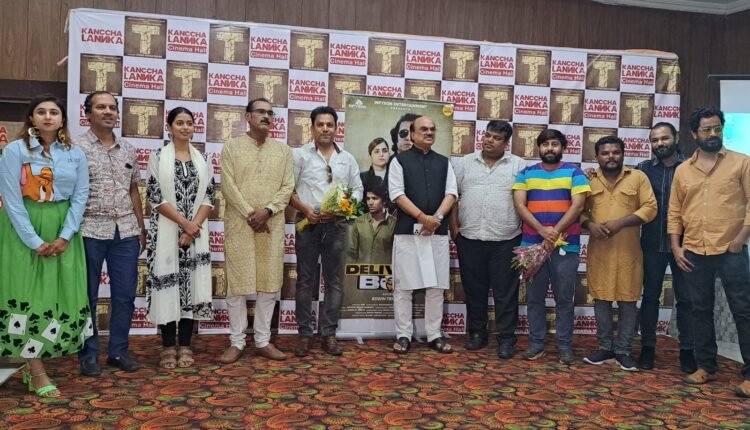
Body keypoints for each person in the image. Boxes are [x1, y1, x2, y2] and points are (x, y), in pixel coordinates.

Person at [0, 94, 90, 397]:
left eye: (54, 112)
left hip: (63, 229)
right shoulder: (15, 150)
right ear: (31, 118)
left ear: (63, 119)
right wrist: (34, 241)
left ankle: (30, 363)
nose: (48, 117)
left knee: (54, 297)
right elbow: (11, 199)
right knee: (26, 296)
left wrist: (65, 235)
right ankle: (36, 371)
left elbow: (80, 196)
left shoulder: (75, 153)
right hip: (22, 228)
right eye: (41, 112)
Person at [668, 106, 750, 397]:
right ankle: (706, 366)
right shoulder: (683, 170)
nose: (713, 134)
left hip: (731, 249)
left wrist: (740, 238)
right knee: (699, 310)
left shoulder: (741, 163)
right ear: (694, 134)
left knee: (743, 310)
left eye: (717, 128)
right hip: (694, 249)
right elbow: (675, 211)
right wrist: (676, 246)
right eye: (706, 129)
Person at [219, 98, 294, 364]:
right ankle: (237, 341)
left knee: (269, 284)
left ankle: (262, 340)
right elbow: (227, 185)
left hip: (271, 225)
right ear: (248, 116)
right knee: (237, 285)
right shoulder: (231, 147)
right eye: (260, 112)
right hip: (240, 225)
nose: (266, 116)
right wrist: (251, 213)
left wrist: (268, 211)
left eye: (270, 113)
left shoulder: (283, 151)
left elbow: (288, 186)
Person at [77, 91, 146, 376]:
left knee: (125, 296)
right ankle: (88, 354)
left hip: (125, 232)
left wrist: (141, 228)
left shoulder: (128, 148)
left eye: (112, 108)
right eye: (101, 107)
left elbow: (133, 189)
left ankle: (118, 351)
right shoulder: (75, 147)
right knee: (87, 297)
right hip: (89, 229)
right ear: (88, 113)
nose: (108, 112)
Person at [512, 129, 590, 365]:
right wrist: (542, 231)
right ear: (539, 148)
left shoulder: (575, 173)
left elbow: (578, 207)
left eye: (555, 144)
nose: (549, 148)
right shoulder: (526, 174)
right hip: (531, 247)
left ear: (563, 148)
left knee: (564, 299)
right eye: (545, 144)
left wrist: (553, 233)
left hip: (566, 248)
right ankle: (536, 344)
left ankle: (564, 346)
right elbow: (520, 205)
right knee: (534, 299)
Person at [290, 106, 363, 357]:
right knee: (305, 281)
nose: (325, 129)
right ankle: (304, 334)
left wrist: (341, 209)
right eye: (320, 124)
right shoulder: (300, 155)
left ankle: (329, 334)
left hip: (337, 225)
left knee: (334, 282)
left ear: (336, 128)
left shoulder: (347, 158)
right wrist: (306, 210)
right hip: (307, 224)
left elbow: (358, 191)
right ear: (312, 128)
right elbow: (288, 190)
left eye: (329, 125)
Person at [145, 107, 215, 369]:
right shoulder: (157, 157)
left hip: (195, 234)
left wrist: (192, 228)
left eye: (189, 123)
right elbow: (154, 197)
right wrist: (185, 225)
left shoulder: (203, 159)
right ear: (169, 127)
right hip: (166, 234)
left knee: (191, 287)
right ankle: (166, 347)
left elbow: (209, 196)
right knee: (168, 287)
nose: (185, 127)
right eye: (179, 123)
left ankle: (185, 345)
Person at [449, 121, 525, 358]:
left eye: (497, 138)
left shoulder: (518, 165)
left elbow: (525, 200)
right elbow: (452, 196)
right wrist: (454, 229)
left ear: (506, 143)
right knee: (474, 290)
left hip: (506, 239)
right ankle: (477, 334)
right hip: (470, 237)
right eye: (488, 135)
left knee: (506, 293)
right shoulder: (464, 163)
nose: (489, 141)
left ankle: (506, 339)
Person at [581, 135, 656, 372]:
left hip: (628, 252)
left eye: (615, 152)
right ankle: (605, 347)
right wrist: (590, 225)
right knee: (601, 300)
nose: (611, 157)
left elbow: (650, 208)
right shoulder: (588, 180)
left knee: (628, 301)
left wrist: (621, 223)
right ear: (597, 156)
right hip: (599, 252)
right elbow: (578, 211)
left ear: (623, 154)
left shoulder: (638, 177)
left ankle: (623, 350)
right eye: (605, 153)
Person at [389, 115, 457, 354]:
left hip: (437, 233)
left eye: (432, 129)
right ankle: (403, 334)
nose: (429, 133)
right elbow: (397, 194)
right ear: (412, 133)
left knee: (436, 287)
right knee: (404, 287)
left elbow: (451, 193)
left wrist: (435, 219)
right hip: (407, 234)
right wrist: (422, 217)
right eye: (423, 129)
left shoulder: (444, 162)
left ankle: (434, 334)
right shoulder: (399, 161)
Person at [634, 122, 694, 372]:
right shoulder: (642, 169)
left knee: (687, 300)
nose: (659, 143)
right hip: (651, 244)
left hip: (686, 245)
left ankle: (688, 352)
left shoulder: (691, 167)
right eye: (654, 140)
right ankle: (647, 349)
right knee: (649, 298)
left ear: (676, 138)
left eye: (664, 138)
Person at [347, 176, 395, 265]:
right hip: (361, 272)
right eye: (368, 198)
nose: (370, 202)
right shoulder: (359, 222)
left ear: (384, 201)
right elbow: (352, 253)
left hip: (385, 272)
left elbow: (396, 254)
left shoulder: (393, 224)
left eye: (375, 198)